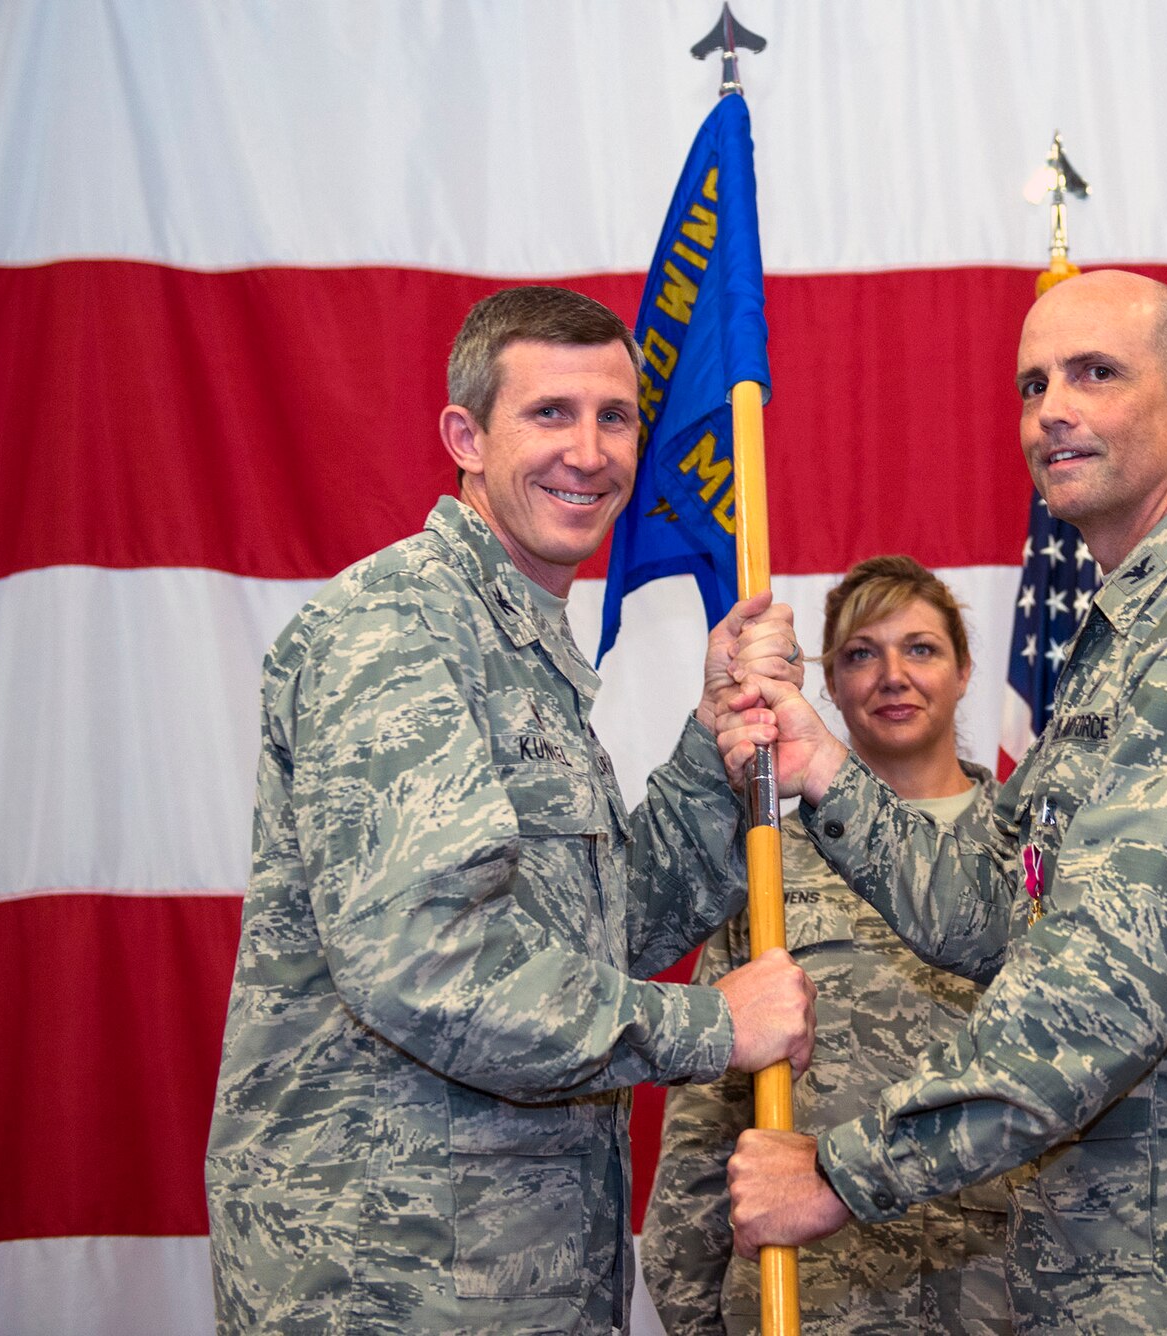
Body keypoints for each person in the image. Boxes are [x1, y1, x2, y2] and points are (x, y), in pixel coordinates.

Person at [716, 270, 1167, 1333]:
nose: (1052, 411)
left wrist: (844, 1172)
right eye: (1033, 385)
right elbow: (1003, 905)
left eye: (1095, 374)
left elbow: (1110, 976)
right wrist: (825, 773)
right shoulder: (1130, 632)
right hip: (1120, 1258)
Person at [205, 285, 817, 1336]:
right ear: (466, 438)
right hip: (394, 1285)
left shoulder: (519, 639)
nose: (589, 451)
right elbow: (429, 965)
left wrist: (714, 744)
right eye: (549, 413)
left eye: (614, 417)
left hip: (508, 1279)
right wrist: (712, 1025)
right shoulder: (398, 627)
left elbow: (593, 931)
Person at [642, 557, 1015, 1336]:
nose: (892, 675)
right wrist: (697, 1318)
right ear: (831, 684)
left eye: (920, 649)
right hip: (810, 1300)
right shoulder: (767, 867)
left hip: (1000, 1298)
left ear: (964, 670)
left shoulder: (1026, 859)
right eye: (861, 654)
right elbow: (704, 1127)